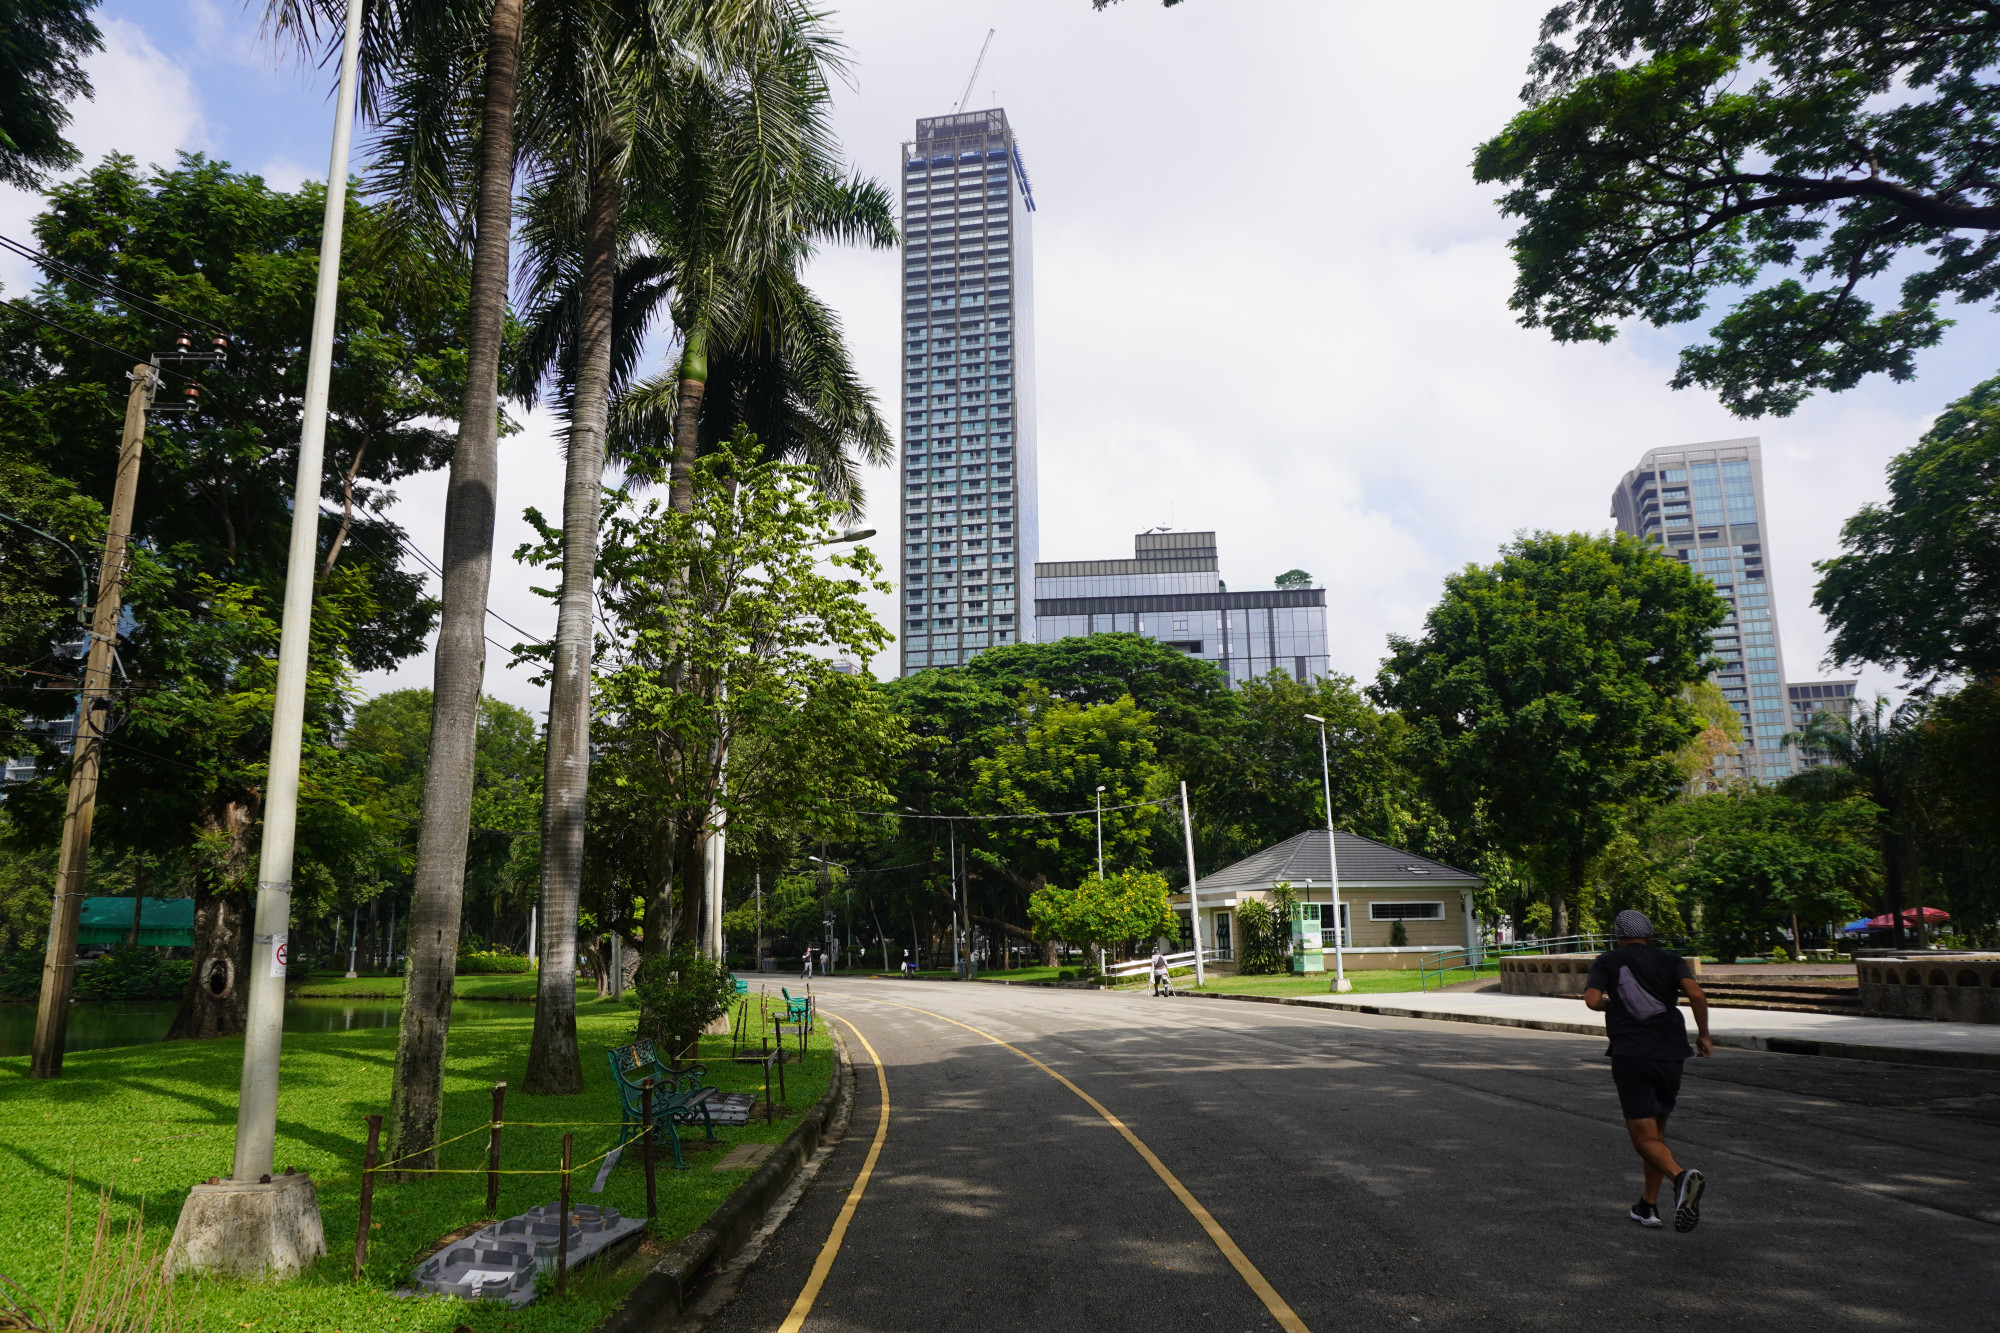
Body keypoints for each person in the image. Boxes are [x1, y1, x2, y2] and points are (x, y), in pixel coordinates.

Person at [1584, 909, 1714, 1233]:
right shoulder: (1671, 959)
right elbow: (1696, 994)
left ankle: (1681, 1178)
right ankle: (1648, 1206)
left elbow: (1592, 1000)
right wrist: (1704, 1034)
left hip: (1632, 1053)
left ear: (1617, 933)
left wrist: (1608, 1004)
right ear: (1649, 933)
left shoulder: (1608, 960)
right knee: (1656, 1133)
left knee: (1643, 1139)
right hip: (1671, 1054)